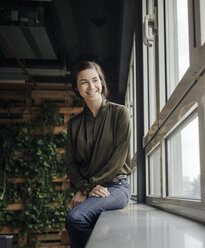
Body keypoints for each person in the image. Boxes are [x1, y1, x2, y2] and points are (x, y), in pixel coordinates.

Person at [65, 61, 131, 248]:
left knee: (75, 218)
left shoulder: (120, 114)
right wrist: (86, 187)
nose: (91, 86)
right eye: (84, 82)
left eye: (95, 80)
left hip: (116, 187)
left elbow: (117, 161)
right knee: (80, 221)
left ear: (102, 83)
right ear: (77, 88)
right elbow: (71, 164)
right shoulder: (74, 124)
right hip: (89, 187)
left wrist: (86, 189)